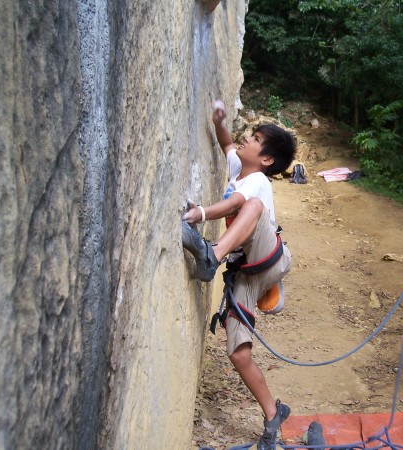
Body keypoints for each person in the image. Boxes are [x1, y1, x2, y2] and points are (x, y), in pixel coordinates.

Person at [181, 100, 297, 450]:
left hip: (270, 256)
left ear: (266, 160)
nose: (247, 138)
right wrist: (218, 122)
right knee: (238, 352)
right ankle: (272, 413)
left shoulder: (259, 181)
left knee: (252, 206)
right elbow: (227, 145)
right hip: (246, 274)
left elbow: (234, 206)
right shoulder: (239, 171)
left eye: (256, 138)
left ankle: (211, 256)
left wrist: (199, 214)